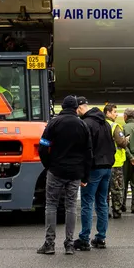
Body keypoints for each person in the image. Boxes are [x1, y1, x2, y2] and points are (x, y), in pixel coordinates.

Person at [36, 95, 92, 255]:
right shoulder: (82, 125)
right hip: (75, 173)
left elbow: (42, 147)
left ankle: (49, 243)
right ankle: (69, 244)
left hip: (56, 171)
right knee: (71, 206)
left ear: (62, 107)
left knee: (51, 205)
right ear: (76, 108)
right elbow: (89, 153)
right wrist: (85, 176)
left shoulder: (54, 123)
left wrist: (49, 166)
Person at [77, 99, 116, 250]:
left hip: (94, 168)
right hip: (107, 167)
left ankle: (84, 238)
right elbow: (111, 146)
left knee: (87, 203)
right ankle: (101, 237)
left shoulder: (86, 124)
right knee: (102, 203)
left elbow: (86, 150)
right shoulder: (105, 123)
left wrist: (83, 172)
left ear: (81, 108)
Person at [104, 103, 129, 219]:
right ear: (108, 113)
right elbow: (121, 142)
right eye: (114, 112)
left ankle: (104, 211)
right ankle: (117, 210)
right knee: (117, 188)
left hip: (103, 163)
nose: (116, 114)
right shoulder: (115, 126)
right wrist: (126, 140)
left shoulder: (100, 125)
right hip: (116, 162)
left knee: (104, 189)